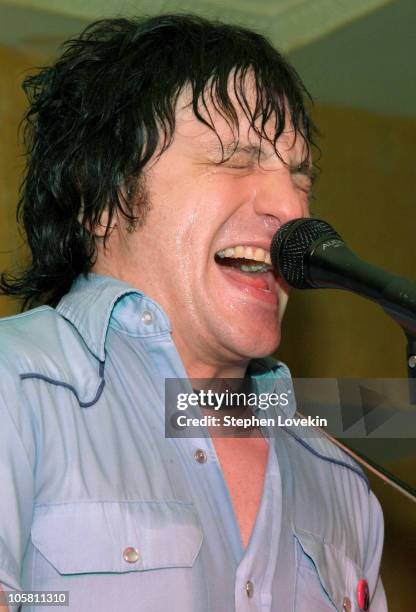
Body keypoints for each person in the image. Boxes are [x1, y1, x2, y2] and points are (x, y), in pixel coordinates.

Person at [0, 14, 387, 612]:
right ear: (102, 197)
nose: (292, 207)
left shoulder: (338, 473)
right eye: (235, 159)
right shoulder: (15, 387)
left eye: (300, 176)